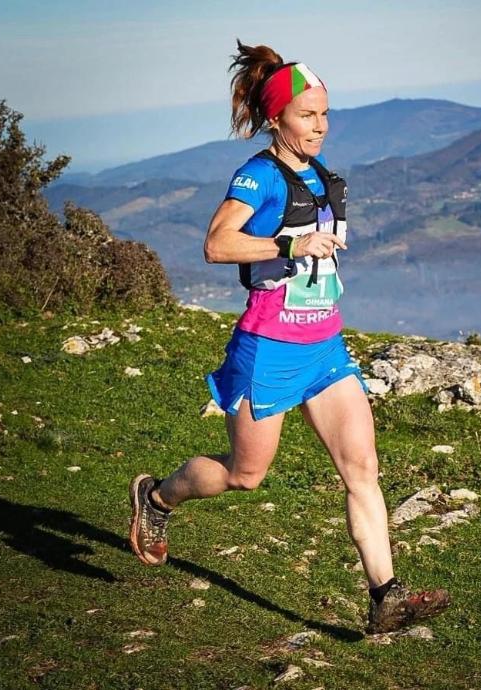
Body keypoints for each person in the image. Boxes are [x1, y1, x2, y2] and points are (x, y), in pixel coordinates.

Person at [129, 40, 451, 634]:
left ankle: (386, 597)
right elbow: (216, 244)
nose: (321, 126)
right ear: (276, 118)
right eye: (308, 115)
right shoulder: (259, 176)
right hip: (269, 350)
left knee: (363, 468)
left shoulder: (319, 175)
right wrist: (291, 242)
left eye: (326, 114)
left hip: (325, 349)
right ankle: (158, 497)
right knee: (244, 475)